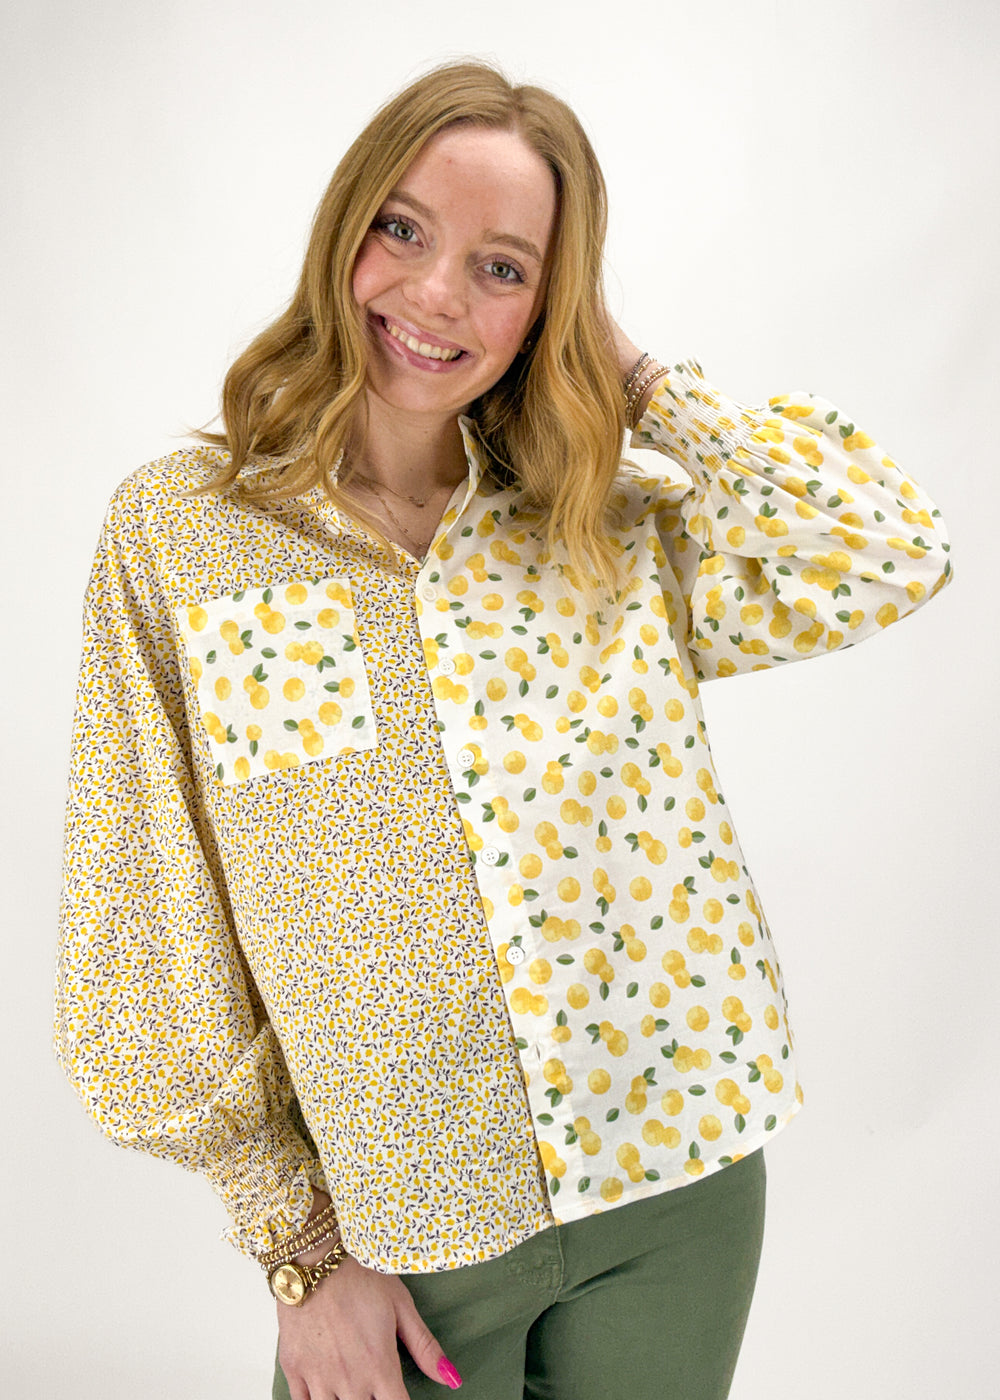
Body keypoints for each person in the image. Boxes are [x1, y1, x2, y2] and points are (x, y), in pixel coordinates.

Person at [54, 58, 952, 1400]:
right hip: (404, 1229)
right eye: (404, 230)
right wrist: (300, 1249)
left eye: (504, 267)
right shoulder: (181, 532)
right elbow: (140, 915)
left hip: (676, 1182)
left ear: (553, 304)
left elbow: (893, 551)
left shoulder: (604, 524)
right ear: (342, 229)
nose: (433, 296)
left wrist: (636, 375)